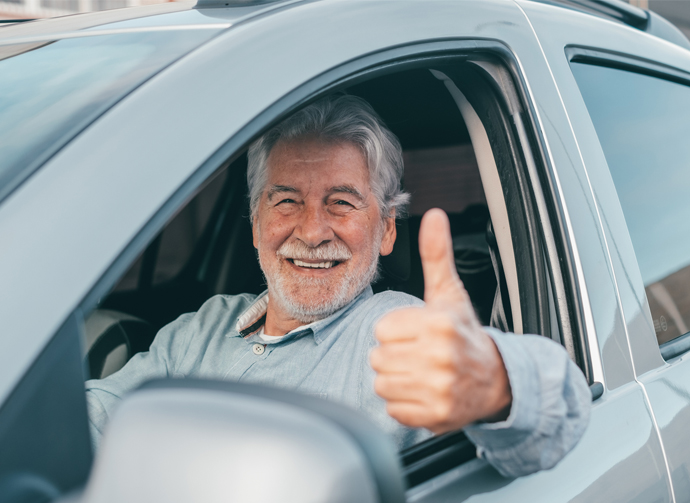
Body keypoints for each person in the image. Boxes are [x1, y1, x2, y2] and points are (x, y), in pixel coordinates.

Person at [86, 95, 590, 478]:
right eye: (286, 201)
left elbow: (563, 413)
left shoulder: (396, 332)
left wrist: (497, 381)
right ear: (257, 222)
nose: (311, 231)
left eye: (342, 203)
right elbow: (94, 418)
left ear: (387, 229)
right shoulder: (202, 327)